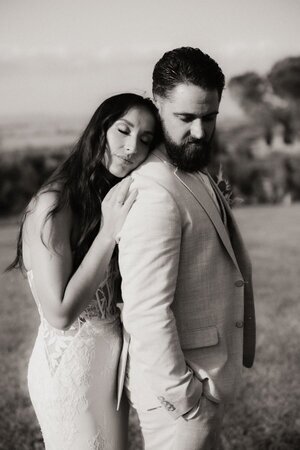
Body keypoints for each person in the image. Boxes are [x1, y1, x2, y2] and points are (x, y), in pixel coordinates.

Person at [117, 47, 256, 449]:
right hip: (179, 398)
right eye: (185, 118)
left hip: (203, 380)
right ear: (157, 103)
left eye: (209, 118)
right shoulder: (154, 190)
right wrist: (184, 398)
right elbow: (145, 310)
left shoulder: (189, 166)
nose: (199, 131)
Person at [7, 93, 161, 450]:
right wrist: (109, 232)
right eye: (123, 131)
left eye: (145, 140)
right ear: (100, 130)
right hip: (70, 374)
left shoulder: (107, 200)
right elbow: (60, 314)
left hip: (111, 370)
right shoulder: (53, 205)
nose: (131, 147)